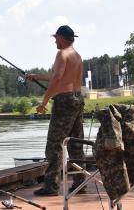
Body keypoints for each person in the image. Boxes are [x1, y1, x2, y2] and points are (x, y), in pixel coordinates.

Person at [26, 25, 85, 196]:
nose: (54, 41)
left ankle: (51, 187)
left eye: (56, 37)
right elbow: (59, 76)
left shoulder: (61, 53)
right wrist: (36, 76)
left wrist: (43, 102)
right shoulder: (77, 56)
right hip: (77, 99)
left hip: (64, 102)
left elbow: (58, 78)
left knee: (54, 145)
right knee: (75, 143)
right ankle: (81, 183)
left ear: (62, 37)